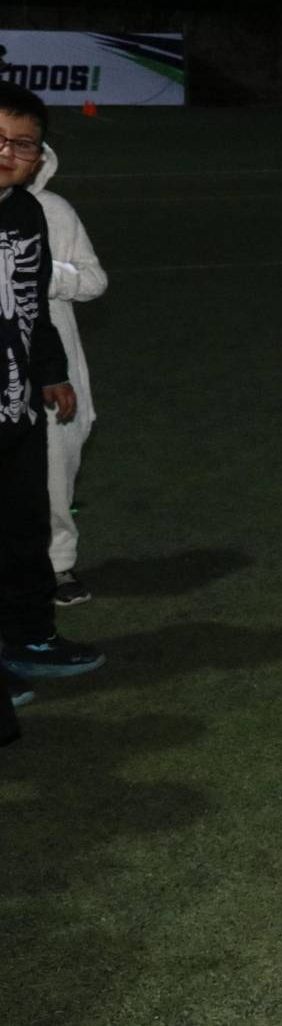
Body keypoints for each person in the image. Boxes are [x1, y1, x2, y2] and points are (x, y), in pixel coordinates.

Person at [0, 81, 102, 702]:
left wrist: (53, 372)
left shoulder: (30, 212)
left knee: (23, 523)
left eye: (23, 144)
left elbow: (34, 307)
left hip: (15, 406)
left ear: (40, 156)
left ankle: (31, 635)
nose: (8, 153)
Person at [26, 134, 107, 606]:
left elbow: (94, 280)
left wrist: (43, 272)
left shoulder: (53, 210)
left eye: (23, 146)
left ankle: (57, 564)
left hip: (51, 366)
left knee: (56, 465)